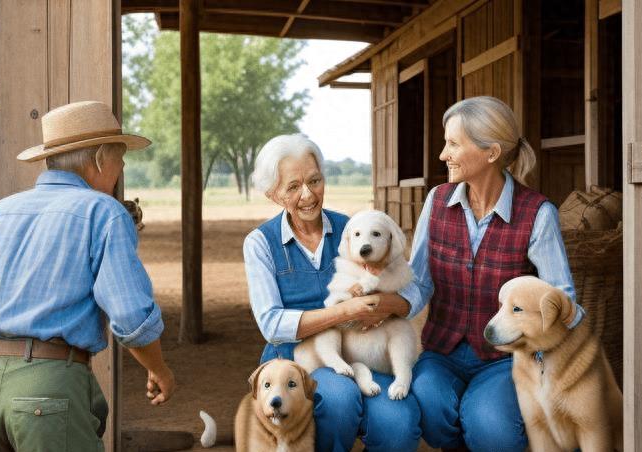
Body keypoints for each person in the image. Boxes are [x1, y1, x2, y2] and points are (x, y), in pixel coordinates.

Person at [0, 101, 175, 451]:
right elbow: (132, 317)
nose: (120, 170)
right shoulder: (103, 213)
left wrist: (2, 343)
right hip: (47, 393)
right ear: (101, 159)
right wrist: (159, 370)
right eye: (120, 161)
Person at [397, 96, 585, 452]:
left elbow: (562, 298)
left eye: (453, 144)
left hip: (506, 358)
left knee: (490, 429)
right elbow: (418, 282)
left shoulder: (537, 213)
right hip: (442, 351)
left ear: (491, 153)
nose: (443, 154)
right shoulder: (437, 201)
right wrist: (382, 303)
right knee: (429, 410)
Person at [242, 134, 421, 452]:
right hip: (294, 360)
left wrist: (389, 303)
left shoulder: (352, 227)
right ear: (273, 194)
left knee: (400, 422)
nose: (308, 194)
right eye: (293, 187)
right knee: (339, 399)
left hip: (361, 350)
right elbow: (272, 324)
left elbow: (408, 287)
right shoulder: (260, 243)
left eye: (315, 180)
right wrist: (347, 312)